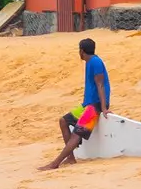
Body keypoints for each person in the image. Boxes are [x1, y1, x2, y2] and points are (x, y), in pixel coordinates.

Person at [41, 37, 110, 170]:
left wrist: (103, 108)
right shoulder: (90, 61)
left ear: (82, 51)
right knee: (63, 121)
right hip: (87, 105)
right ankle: (70, 158)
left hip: (94, 106)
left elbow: (100, 85)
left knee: (77, 133)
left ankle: (55, 164)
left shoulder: (95, 62)